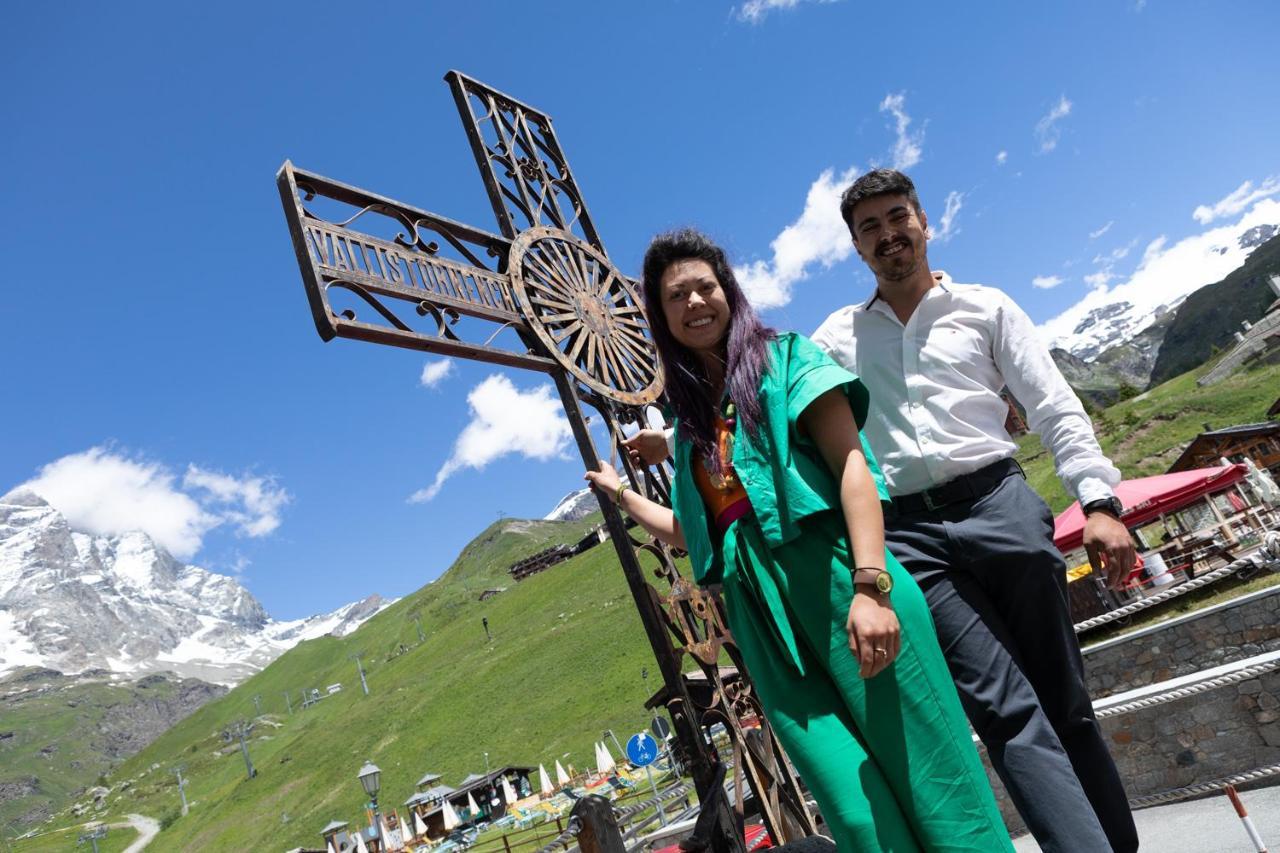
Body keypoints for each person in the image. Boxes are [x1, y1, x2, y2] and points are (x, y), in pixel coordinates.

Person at [588, 228, 1013, 852]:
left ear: (728, 291)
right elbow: (693, 534)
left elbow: (852, 469)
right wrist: (619, 492)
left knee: (934, 782)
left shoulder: (787, 358)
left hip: (840, 578)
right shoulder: (692, 429)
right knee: (855, 811)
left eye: (704, 287)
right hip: (758, 613)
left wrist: (873, 586)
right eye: (676, 296)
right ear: (661, 314)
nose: (694, 303)